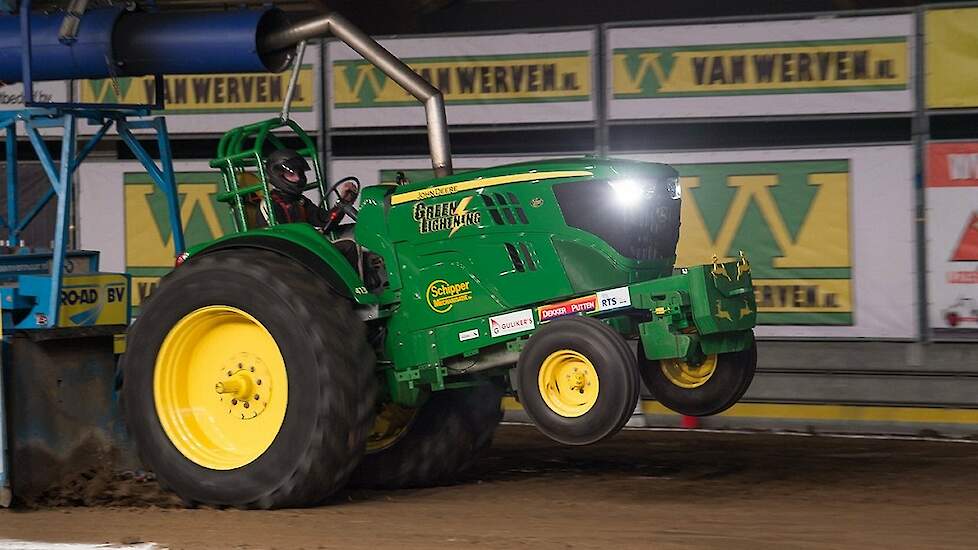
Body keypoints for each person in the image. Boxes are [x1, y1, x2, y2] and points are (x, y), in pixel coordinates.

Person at [256, 149, 330, 227]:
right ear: (278, 175)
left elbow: (324, 220)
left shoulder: (300, 201)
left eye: (300, 173)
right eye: (291, 174)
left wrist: (341, 203)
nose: (297, 178)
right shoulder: (269, 204)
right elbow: (278, 234)